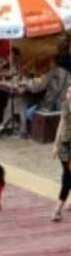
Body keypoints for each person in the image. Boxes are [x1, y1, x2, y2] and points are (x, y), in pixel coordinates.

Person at [22, 61, 71, 137]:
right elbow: (41, 80)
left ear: (52, 62)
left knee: (28, 111)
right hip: (64, 105)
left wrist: (25, 80)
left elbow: (36, 87)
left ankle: (26, 131)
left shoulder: (51, 73)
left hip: (51, 106)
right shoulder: (67, 73)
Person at [51, 85, 71, 222]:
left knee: (67, 178)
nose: (69, 93)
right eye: (69, 91)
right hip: (64, 144)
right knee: (66, 173)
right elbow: (61, 123)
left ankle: (58, 209)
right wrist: (55, 144)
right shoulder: (65, 105)